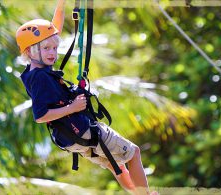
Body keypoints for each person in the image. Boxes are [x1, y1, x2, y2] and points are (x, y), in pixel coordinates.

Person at [16, 1, 158, 194]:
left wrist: (61, 4)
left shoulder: (33, 70)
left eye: (54, 48)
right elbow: (40, 116)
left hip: (71, 137)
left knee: (115, 165)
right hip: (81, 129)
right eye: (47, 49)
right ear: (30, 51)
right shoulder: (40, 77)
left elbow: (54, 28)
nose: (53, 53)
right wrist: (72, 107)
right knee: (133, 154)